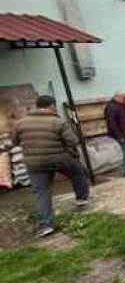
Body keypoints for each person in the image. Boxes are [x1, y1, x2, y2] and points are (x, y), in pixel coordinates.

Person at [12, 95, 90, 238]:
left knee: (40, 192)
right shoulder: (58, 122)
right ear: (52, 106)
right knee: (79, 174)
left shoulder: (20, 123)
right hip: (60, 158)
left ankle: (45, 225)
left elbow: (15, 142)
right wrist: (71, 153)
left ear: (36, 106)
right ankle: (81, 199)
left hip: (34, 163)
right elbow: (72, 141)